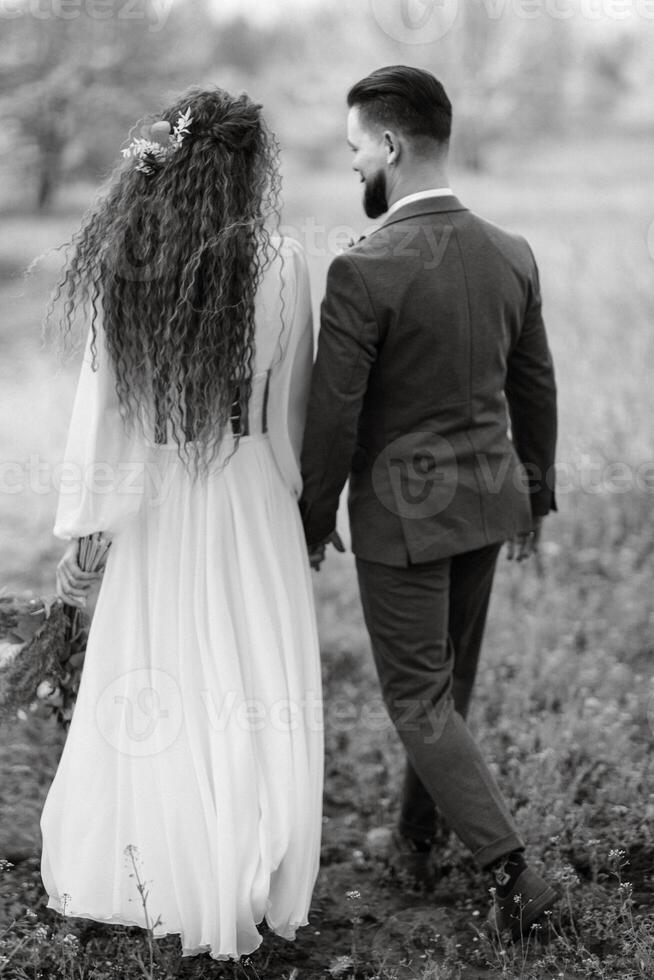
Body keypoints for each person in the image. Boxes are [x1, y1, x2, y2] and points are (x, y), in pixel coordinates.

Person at [43, 87, 323, 961]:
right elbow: (291, 419)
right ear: (251, 174)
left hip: (161, 504)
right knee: (248, 687)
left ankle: (157, 868)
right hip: (250, 500)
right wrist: (290, 501)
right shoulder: (284, 263)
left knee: (158, 687)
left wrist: (89, 532)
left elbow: (106, 414)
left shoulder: (134, 263)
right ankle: (246, 869)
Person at [300, 66, 559, 941]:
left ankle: (513, 871)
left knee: (418, 700)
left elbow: (333, 417)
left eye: (354, 152)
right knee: (448, 692)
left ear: (391, 147)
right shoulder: (510, 250)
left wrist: (310, 518)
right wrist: (536, 492)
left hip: (402, 524)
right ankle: (414, 842)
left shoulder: (363, 270)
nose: (353, 170)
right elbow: (536, 385)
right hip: (487, 505)